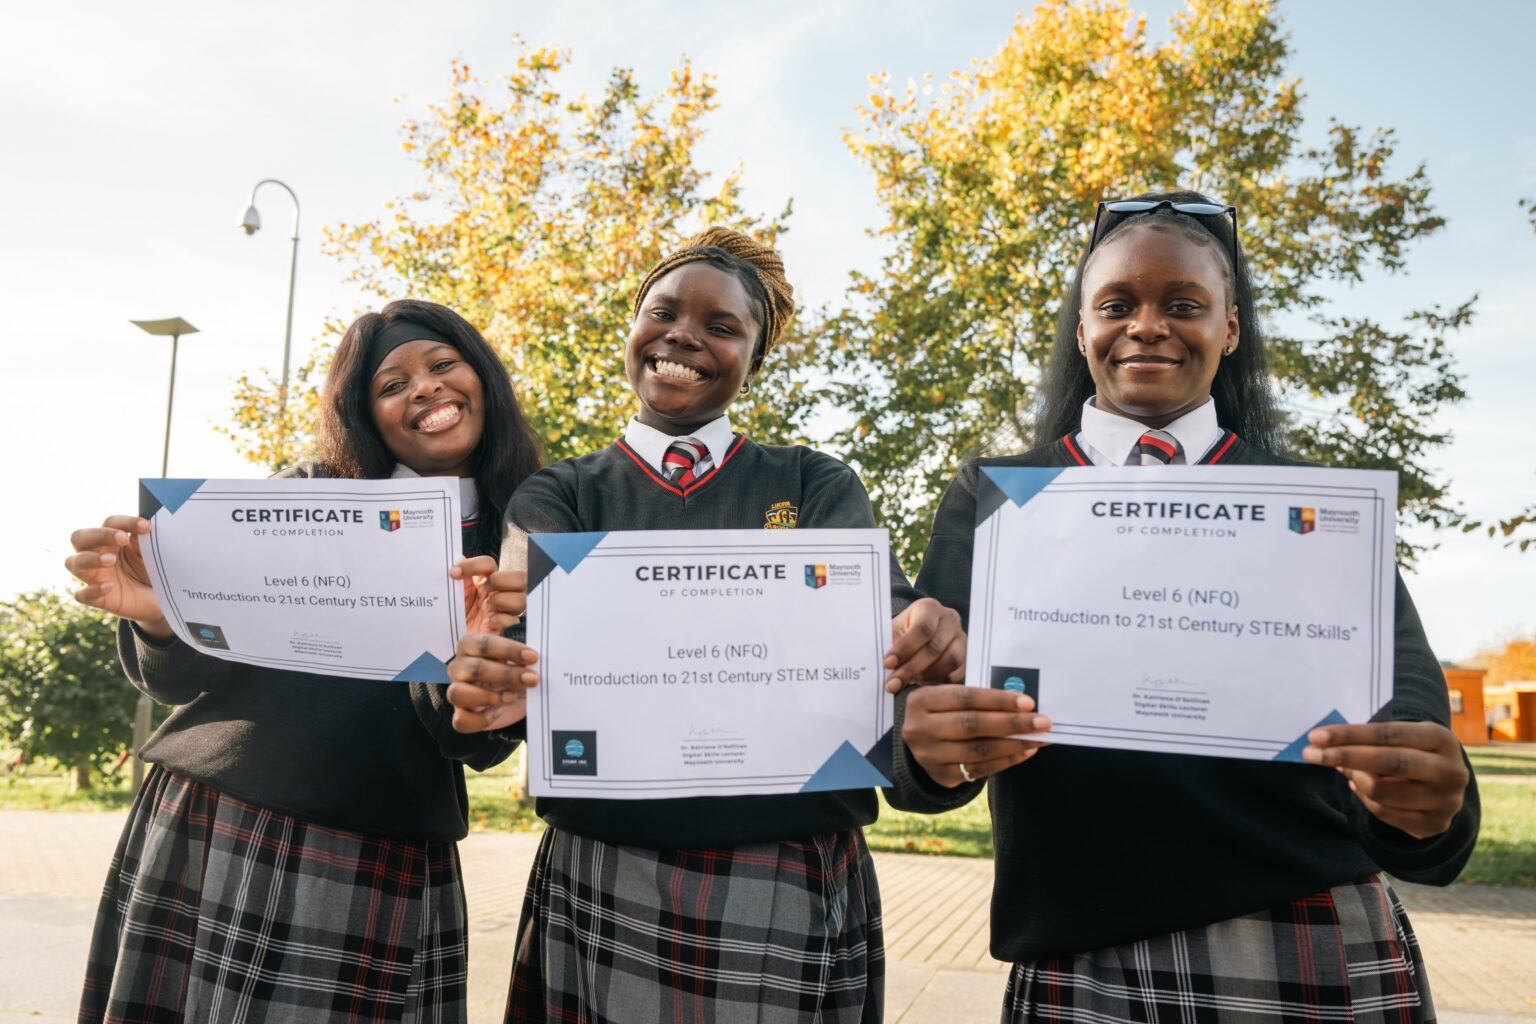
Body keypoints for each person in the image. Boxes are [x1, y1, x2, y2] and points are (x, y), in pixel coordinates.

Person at [892, 191, 1480, 1023]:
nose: (1147, 326)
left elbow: (1412, 726)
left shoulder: (1319, 508)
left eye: (1183, 305)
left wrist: (1427, 807)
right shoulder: (995, 497)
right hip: (1078, 948)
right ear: (1081, 330)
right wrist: (925, 749)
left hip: (1309, 928)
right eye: (1115, 306)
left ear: (1229, 329)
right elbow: (922, 742)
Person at [444, 227, 965, 1023]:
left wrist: (922, 646)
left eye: (721, 326)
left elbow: (884, 650)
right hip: (604, 869)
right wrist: (489, 678)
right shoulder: (558, 495)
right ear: (633, 329)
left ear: (754, 359)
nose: (684, 335)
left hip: (788, 874)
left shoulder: (814, 484)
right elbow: (514, 651)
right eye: (663, 312)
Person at [64, 299, 543, 1023]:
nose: (425, 388)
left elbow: (476, 743)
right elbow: (180, 679)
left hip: (384, 851)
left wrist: (462, 666)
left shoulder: (523, 534)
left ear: (483, 379)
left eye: (443, 364)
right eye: (392, 385)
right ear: (366, 416)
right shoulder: (309, 491)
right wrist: (159, 614)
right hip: (221, 819)